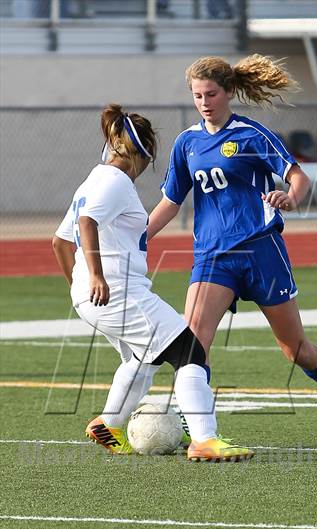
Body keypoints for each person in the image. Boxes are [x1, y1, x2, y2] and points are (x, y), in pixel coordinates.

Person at [148, 55, 317, 438]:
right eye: (197, 95)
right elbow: (171, 202)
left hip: (261, 253)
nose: (204, 101)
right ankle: (199, 427)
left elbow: (297, 176)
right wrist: (140, 236)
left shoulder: (250, 135)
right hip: (213, 257)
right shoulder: (187, 144)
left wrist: (291, 198)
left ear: (229, 92)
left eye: (211, 93)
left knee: (295, 349)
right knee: (192, 344)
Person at [52, 103, 254, 461]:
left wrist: (79, 285)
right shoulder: (115, 181)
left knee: (145, 358)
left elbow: (59, 242)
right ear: (141, 156)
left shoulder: (93, 178)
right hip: (117, 290)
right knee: (190, 351)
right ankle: (205, 440)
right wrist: (96, 277)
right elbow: (86, 223)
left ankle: (109, 424)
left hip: (95, 295)